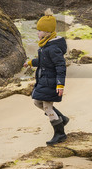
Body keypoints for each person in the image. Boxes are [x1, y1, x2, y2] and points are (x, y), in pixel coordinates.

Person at [29, 14, 69, 145]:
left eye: (40, 30)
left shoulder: (53, 48)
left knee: (47, 107)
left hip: (52, 82)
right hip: (44, 80)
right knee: (37, 102)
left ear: (47, 32)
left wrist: (60, 84)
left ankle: (60, 133)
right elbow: (44, 61)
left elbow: (60, 66)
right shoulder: (45, 45)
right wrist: (31, 62)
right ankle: (62, 118)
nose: (37, 33)